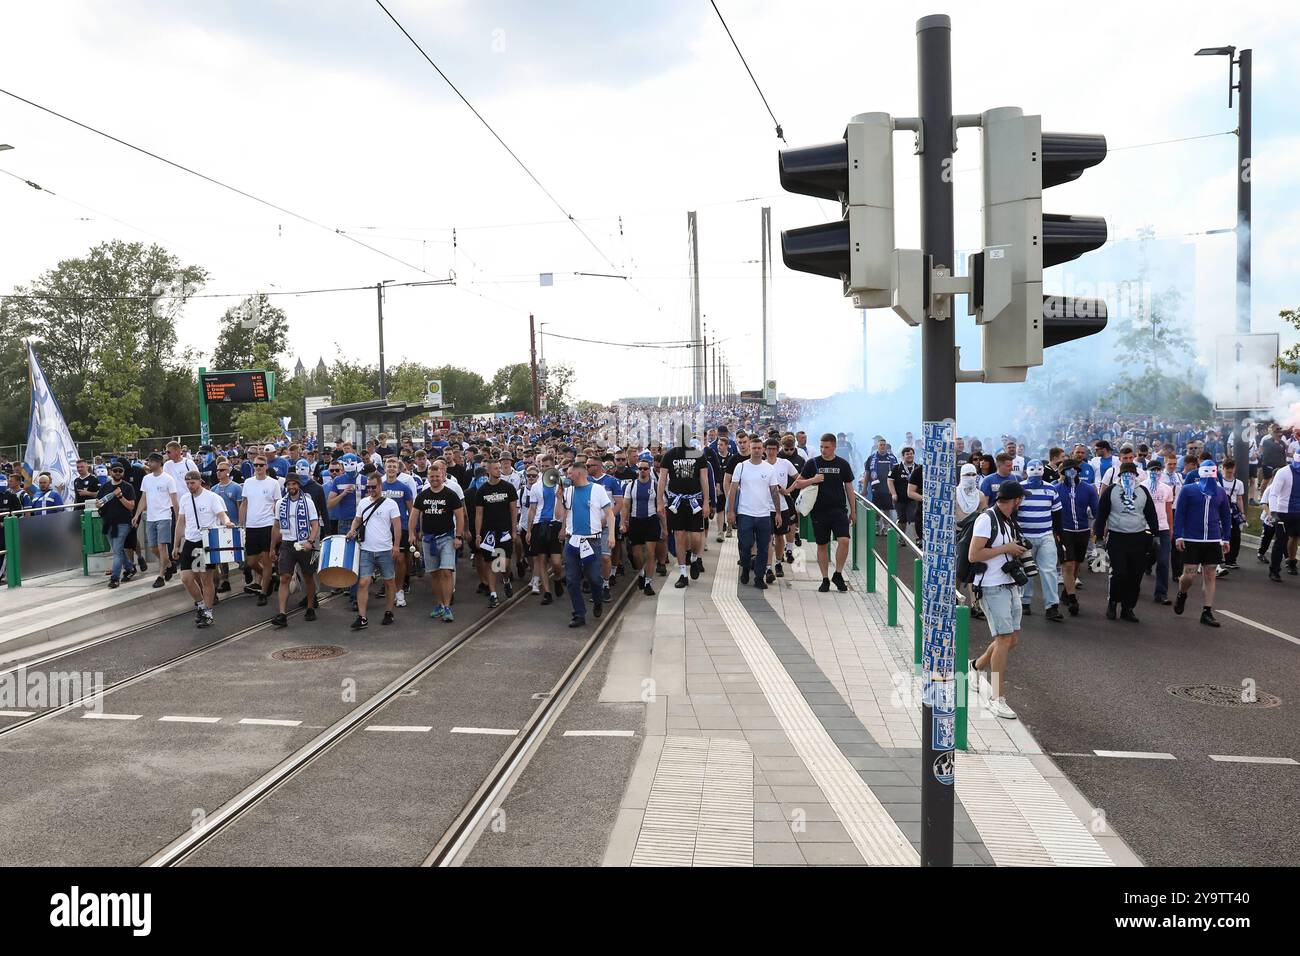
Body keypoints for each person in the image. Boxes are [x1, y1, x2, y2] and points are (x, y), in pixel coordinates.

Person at [968, 481, 1029, 720]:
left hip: (1009, 583)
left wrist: (1014, 549)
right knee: (1003, 639)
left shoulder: (1007, 520)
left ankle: (975, 666)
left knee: (1012, 639)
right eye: (1021, 499)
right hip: (992, 586)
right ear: (1016, 500)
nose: (1021, 503)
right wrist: (1007, 547)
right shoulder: (986, 519)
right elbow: (974, 554)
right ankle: (996, 698)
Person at [1093, 461, 1160, 622]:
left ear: (1136, 476)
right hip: (1117, 537)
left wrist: (1156, 535)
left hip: (1138, 537)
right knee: (1119, 573)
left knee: (1135, 575)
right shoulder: (1111, 491)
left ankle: (1128, 607)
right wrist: (1099, 538)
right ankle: (1113, 602)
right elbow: (1101, 515)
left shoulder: (1142, 491)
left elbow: (1151, 514)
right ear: (1120, 476)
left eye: (1132, 475)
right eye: (1125, 475)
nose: (1128, 478)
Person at [792, 433, 856, 593]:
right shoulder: (812, 463)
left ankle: (838, 573)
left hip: (839, 510)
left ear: (834, 447)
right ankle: (825, 578)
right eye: (821, 446)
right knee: (822, 545)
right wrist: (812, 480)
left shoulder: (843, 464)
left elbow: (849, 488)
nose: (823, 450)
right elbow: (798, 483)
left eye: (827, 447)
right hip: (819, 511)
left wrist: (853, 511)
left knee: (844, 541)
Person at [554, 460, 615, 627]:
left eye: (570, 473)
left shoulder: (597, 490)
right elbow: (559, 515)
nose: (567, 476)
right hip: (572, 540)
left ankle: (597, 600)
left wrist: (611, 535)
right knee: (572, 580)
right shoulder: (568, 492)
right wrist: (559, 498)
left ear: (578, 473)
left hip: (592, 541)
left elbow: (609, 514)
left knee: (594, 578)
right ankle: (579, 614)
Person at [1171, 461, 1232, 627]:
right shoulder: (1188, 490)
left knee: (1210, 574)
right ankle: (1182, 593)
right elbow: (1180, 513)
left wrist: (1226, 538)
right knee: (1189, 576)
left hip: (1213, 539)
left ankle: (1207, 611)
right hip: (1192, 538)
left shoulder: (1220, 492)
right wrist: (1179, 535)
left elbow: (1226, 516)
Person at [172, 471, 236, 628]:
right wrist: (176, 545)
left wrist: (227, 522)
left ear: (199, 482)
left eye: (192, 483)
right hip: (190, 540)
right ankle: (201, 605)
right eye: (187, 483)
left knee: (205, 578)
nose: (189, 486)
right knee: (186, 578)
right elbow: (180, 522)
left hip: (205, 540)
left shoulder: (211, 497)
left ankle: (208, 612)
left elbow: (222, 515)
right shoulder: (185, 498)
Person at [346, 472, 402, 629]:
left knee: (389, 581)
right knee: (363, 583)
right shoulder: (363, 502)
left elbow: (397, 526)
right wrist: (352, 530)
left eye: (373, 487)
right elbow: (357, 519)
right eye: (368, 487)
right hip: (366, 550)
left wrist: (396, 545)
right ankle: (362, 617)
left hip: (385, 549)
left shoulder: (391, 504)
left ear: (380, 486)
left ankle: (389, 612)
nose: (370, 489)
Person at [411, 463, 465, 622]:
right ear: (428, 477)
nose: (435, 479)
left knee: (447, 572)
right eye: (432, 477)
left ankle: (447, 607)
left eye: (437, 476)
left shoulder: (450, 494)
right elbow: (414, 515)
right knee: (434, 574)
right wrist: (412, 534)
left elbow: (460, 516)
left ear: (442, 476)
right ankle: (440, 604)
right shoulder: (422, 495)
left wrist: (459, 536)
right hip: (428, 539)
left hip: (447, 537)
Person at [728, 438, 783, 589]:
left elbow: (774, 491)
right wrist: (731, 511)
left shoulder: (769, 469)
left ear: (763, 449)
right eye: (754, 448)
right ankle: (745, 567)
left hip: (764, 514)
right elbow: (733, 489)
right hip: (745, 513)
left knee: (764, 547)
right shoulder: (741, 467)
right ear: (750, 449)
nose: (757, 450)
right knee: (745, 545)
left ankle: (759, 577)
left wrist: (778, 512)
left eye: (759, 448)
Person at [658, 434, 711, 589]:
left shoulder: (698, 455)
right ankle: (683, 573)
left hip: (694, 500)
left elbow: (704, 479)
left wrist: (707, 502)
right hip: (676, 501)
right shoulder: (669, 455)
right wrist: (660, 501)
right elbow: (662, 479)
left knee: (695, 537)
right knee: (679, 535)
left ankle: (694, 558)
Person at [270, 473, 320, 628]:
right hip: (287, 544)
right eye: (289, 484)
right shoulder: (280, 504)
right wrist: (272, 547)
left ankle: (311, 607)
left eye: (294, 484)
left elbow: (315, 524)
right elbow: (276, 526)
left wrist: (310, 541)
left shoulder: (308, 502)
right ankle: (282, 614)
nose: (291, 487)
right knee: (284, 577)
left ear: (299, 485)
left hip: (304, 544)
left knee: (308, 576)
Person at [1017, 460, 1064, 622]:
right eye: (1032, 469)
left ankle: (1052, 606)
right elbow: (1013, 512)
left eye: (1039, 469)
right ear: (1026, 471)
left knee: (1049, 570)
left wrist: (1059, 534)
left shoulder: (1051, 489)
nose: (1036, 472)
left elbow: (1057, 513)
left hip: (1045, 535)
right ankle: (1025, 602)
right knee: (1026, 570)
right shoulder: (1019, 488)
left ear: (1043, 471)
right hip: (1024, 537)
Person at [473, 458, 520, 608]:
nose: (498, 470)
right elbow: (479, 514)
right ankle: (493, 594)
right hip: (488, 533)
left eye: (499, 468)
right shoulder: (482, 491)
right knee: (490, 564)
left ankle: (506, 580)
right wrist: (478, 535)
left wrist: (514, 530)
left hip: (505, 531)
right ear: (488, 471)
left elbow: (514, 510)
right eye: (495, 468)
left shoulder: (508, 487)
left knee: (503, 564)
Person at [240, 455, 283, 606]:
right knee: (251, 561)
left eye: (261, 465)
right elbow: (244, 503)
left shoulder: (273, 483)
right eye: (256, 465)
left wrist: (277, 526)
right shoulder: (248, 482)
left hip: (267, 525)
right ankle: (269, 578)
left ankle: (264, 592)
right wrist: (241, 523)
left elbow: (278, 503)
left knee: (266, 560)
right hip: (251, 526)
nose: (258, 468)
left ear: (266, 466)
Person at [133, 453, 178, 588]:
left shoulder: (168, 479)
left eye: (151, 462)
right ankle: (169, 564)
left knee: (161, 546)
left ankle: (161, 575)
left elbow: (174, 500)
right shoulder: (146, 479)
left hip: (164, 516)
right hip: (151, 517)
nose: (149, 464)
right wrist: (137, 514)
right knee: (153, 548)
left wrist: (178, 519)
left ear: (159, 463)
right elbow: (143, 498)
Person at [524, 456, 564, 603]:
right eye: (542, 466)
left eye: (547, 466)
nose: (544, 468)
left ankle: (558, 578)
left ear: (553, 467)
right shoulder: (536, 486)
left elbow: (566, 508)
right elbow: (532, 509)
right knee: (541, 559)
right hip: (539, 525)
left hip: (555, 524)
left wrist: (563, 527)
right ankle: (547, 592)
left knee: (556, 562)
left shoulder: (561, 484)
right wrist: (529, 530)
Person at [621, 453, 662, 596]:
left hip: (651, 520)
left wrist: (665, 527)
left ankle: (648, 582)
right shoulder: (630, 486)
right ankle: (642, 573)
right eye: (640, 469)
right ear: (638, 469)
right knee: (636, 553)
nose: (643, 471)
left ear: (649, 469)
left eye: (645, 469)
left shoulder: (655, 486)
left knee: (650, 553)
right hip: (635, 520)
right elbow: (625, 506)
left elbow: (660, 506)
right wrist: (623, 522)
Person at [95, 463, 137, 588]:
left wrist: (120, 496)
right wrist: (98, 504)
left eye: (120, 470)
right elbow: (99, 502)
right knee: (117, 550)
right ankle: (130, 568)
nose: (118, 472)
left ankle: (115, 578)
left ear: (123, 472)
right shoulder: (105, 487)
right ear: (110, 472)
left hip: (123, 523)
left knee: (117, 551)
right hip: (108, 523)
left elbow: (131, 506)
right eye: (115, 470)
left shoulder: (128, 487)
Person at [1143, 457, 1175, 606]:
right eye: (1152, 470)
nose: (1156, 472)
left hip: (1162, 528)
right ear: (1147, 472)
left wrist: (1171, 527)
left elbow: (1169, 510)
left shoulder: (1167, 488)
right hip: (1144, 528)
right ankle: (1133, 588)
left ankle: (1161, 594)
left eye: (1158, 470)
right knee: (1138, 560)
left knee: (1163, 562)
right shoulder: (1141, 487)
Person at [1265, 450, 1300, 583]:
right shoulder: (1283, 472)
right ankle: (1274, 571)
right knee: (1281, 541)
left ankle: (1291, 562)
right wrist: (1274, 512)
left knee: (1294, 538)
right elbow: (1273, 493)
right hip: (1283, 512)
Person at [211, 460, 244, 593]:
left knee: (238, 555)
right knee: (221, 557)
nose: (219, 472)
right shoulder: (214, 489)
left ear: (228, 471)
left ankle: (246, 569)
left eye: (222, 470)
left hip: (234, 525)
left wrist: (241, 524)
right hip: (220, 527)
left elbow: (240, 507)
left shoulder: (236, 488)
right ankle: (225, 580)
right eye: (218, 470)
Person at [889, 447, 921, 545]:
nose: (909, 456)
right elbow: (890, 481)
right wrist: (893, 493)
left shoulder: (918, 467)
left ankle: (918, 539)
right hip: (899, 498)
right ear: (903, 456)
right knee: (902, 519)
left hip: (913, 498)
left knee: (914, 518)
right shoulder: (896, 467)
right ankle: (900, 538)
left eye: (911, 453)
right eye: (907, 454)